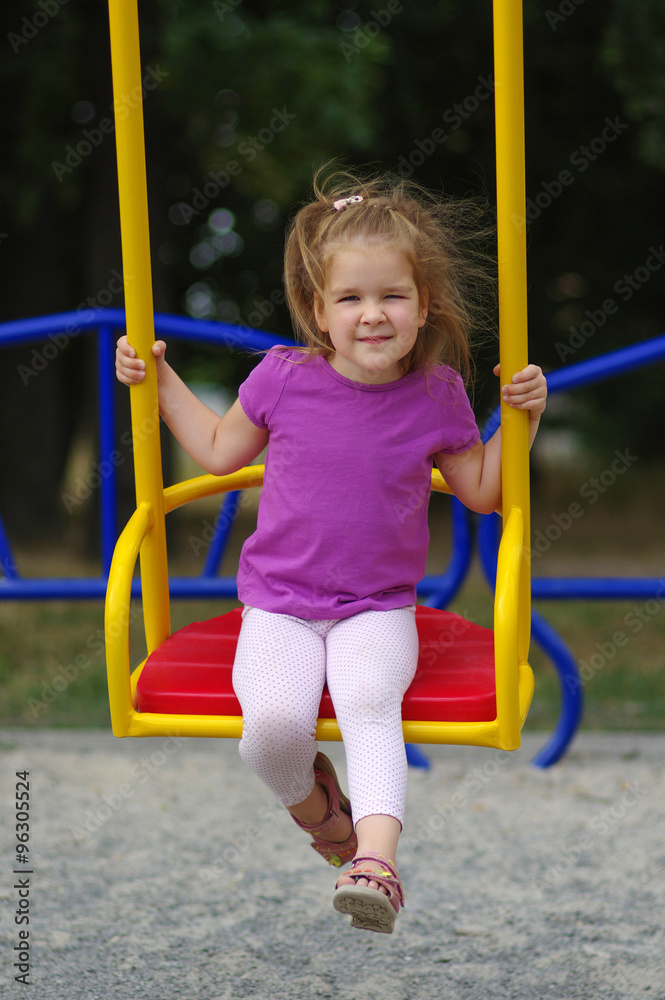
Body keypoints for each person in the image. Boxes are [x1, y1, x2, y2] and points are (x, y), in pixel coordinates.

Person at [116, 168, 547, 935]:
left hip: (377, 608)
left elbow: (481, 490)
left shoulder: (438, 393)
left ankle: (376, 863)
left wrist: (523, 421)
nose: (372, 315)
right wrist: (156, 381)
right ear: (318, 311)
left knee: (368, 705)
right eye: (350, 298)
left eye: (392, 297)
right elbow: (219, 451)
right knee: (272, 728)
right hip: (278, 604)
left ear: (423, 309)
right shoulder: (284, 378)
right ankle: (325, 820)